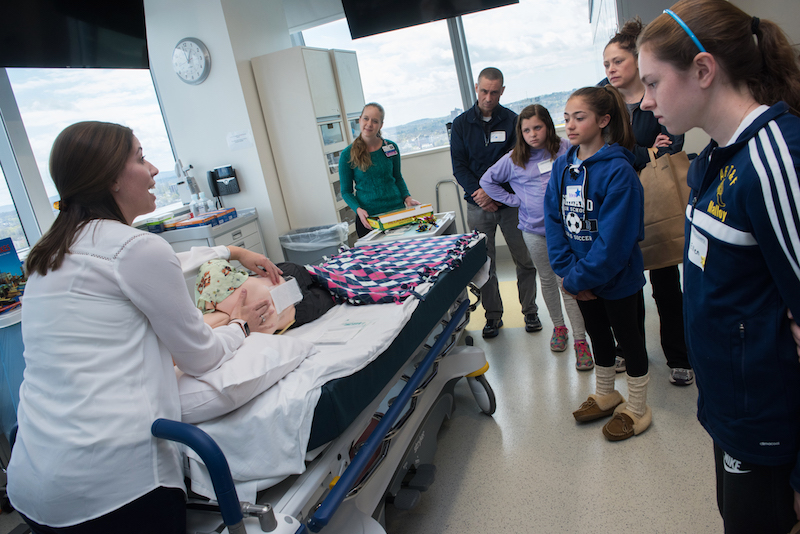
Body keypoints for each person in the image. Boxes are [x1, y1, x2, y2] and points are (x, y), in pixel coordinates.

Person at [7, 121, 281, 534]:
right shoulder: (136, 250)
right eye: (140, 157)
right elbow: (202, 357)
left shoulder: (49, 255)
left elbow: (152, 268)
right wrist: (241, 326)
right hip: (114, 494)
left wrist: (232, 250)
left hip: (32, 484)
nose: (154, 170)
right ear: (110, 178)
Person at [638, 1, 800, 530]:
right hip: (732, 411)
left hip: (771, 429)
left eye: (654, 83)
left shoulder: (775, 162)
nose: (645, 102)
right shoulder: (715, 158)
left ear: (703, 70)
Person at [544, 86, 651, 441]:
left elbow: (616, 242)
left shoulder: (619, 171)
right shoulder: (563, 165)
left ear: (603, 120)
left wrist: (580, 278)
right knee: (597, 336)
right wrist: (569, 273)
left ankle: (637, 407)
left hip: (617, 280)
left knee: (629, 342)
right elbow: (554, 220)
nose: (569, 125)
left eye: (579, 117)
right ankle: (607, 393)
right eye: (566, 118)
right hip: (579, 278)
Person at [600, 17, 693, 386]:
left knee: (666, 282)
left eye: (617, 61)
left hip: (655, 202)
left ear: (637, 60)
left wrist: (633, 151)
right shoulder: (602, 98)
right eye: (606, 64)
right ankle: (629, 349)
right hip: (616, 204)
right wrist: (642, 149)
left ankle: (679, 356)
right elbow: (606, 150)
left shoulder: (657, 95)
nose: (610, 69)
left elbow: (675, 143)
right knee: (625, 283)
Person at [480, 104, 593, 370]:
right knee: (547, 279)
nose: (533, 134)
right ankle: (559, 328)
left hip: (567, 229)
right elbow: (487, 181)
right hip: (533, 230)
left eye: (538, 128)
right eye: (526, 129)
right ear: (520, 132)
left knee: (567, 281)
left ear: (548, 127)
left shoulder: (565, 148)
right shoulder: (514, 158)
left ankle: (580, 340)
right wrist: (513, 200)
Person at [450, 67, 539, 338]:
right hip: (478, 206)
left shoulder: (513, 121)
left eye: (495, 92)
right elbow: (459, 166)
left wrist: (494, 192)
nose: (489, 97)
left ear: (502, 91)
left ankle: (530, 312)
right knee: (484, 264)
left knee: (524, 259)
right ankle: (493, 316)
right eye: (484, 91)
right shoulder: (462, 124)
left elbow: (518, 162)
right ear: (477, 88)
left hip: (510, 204)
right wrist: (481, 192)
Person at [339, 102, 420, 238]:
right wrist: (358, 209)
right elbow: (346, 191)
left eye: (375, 121)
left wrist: (407, 197)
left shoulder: (391, 147)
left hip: (396, 214)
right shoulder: (347, 154)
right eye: (366, 118)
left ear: (381, 125)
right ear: (359, 120)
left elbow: (397, 177)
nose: (369, 124)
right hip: (370, 221)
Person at [196, 259, 335, 334]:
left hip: (287, 281)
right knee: (336, 283)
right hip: (298, 309)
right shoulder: (220, 341)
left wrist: (241, 253)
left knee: (334, 277)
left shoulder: (210, 283)